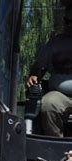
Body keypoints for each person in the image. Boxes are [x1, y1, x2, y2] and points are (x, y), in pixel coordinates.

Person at [27, 6, 72, 137]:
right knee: (48, 103)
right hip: (61, 95)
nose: (69, 25)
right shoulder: (55, 43)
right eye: (67, 21)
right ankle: (57, 146)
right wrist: (34, 75)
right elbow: (39, 66)